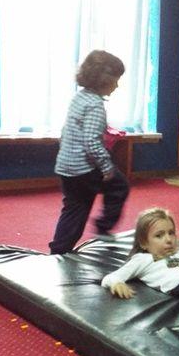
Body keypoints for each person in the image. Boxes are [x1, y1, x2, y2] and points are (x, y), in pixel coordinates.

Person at [49, 50, 129, 255]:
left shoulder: (79, 97)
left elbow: (66, 131)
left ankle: (59, 249)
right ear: (104, 80)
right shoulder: (95, 105)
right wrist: (107, 167)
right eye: (116, 80)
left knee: (75, 208)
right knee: (119, 186)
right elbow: (92, 142)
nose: (117, 86)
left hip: (66, 167)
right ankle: (103, 228)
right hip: (84, 169)